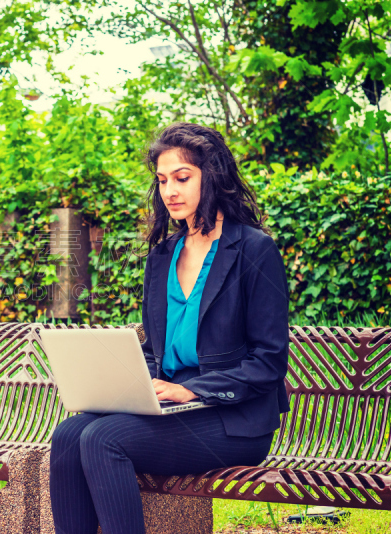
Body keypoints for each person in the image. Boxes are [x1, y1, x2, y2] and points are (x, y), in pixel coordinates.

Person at [49, 122, 290, 534]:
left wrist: (192, 389)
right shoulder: (163, 255)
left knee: (103, 439)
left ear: (211, 175)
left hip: (232, 418)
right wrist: (121, 385)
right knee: (70, 434)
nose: (170, 191)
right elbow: (156, 350)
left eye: (182, 178)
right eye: (162, 180)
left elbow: (269, 362)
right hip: (173, 406)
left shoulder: (253, 249)